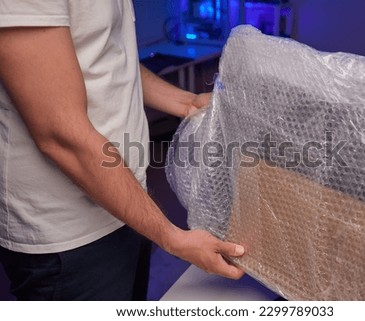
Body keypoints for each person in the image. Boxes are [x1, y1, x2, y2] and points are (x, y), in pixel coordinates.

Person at [0, 0, 245, 300]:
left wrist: (185, 103)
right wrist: (173, 237)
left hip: (127, 202)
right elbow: (60, 133)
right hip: (69, 236)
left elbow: (106, 54)